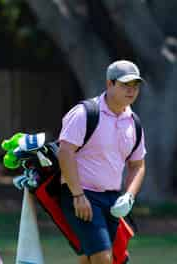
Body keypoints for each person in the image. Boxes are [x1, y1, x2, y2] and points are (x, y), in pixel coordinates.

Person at [57, 60, 147, 264]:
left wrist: (129, 196)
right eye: (125, 85)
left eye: (135, 86)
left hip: (112, 200)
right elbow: (66, 152)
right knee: (102, 258)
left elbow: (138, 164)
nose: (131, 91)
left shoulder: (134, 122)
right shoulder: (85, 113)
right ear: (109, 84)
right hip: (82, 195)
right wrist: (78, 195)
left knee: (90, 259)